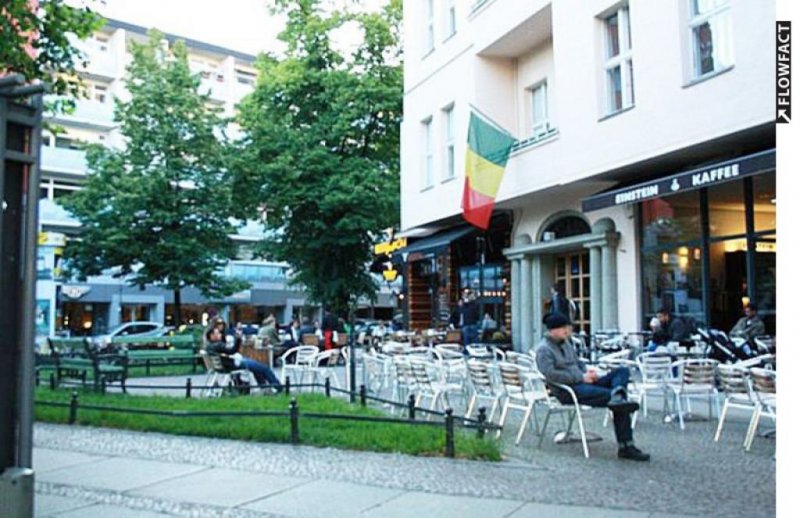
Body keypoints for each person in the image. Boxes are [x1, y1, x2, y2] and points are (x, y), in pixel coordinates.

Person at [536, 313, 650, 461]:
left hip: (582, 382)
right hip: (568, 390)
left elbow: (578, 362)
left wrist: (587, 372)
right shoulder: (544, 350)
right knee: (618, 400)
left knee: (622, 372)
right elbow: (551, 375)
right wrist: (581, 377)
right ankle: (626, 446)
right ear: (553, 330)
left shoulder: (566, 344)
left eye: (568, 327)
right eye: (564, 328)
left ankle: (618, 396)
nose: (568, 331)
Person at [205, 326, 283, 392]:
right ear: (212, 336)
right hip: (234, 364)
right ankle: (278, 387)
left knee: (257, 368)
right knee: (264, 368)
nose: (220, 334)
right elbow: (232, 350)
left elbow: (227, 351)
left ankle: (264, 388)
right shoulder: (217, 345)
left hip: (228, 364)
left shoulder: (209, 347)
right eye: (218, 333)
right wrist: (238, 339)